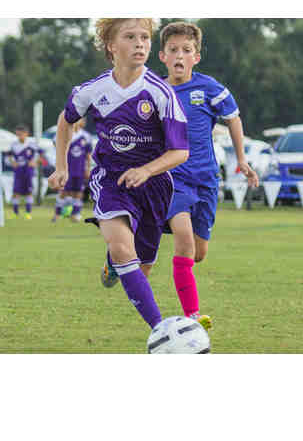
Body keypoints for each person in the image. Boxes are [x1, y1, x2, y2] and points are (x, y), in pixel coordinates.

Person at [99, 21, 258, 331]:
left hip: (207, 181)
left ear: (196, 57)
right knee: (183, 238)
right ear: (162, 55)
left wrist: (241, 159)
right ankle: (192, 314)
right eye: (173, 50)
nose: (180, 56)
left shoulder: (209, 88)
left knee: (197, 253)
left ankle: (117, 254)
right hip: (172, 179)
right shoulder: (153, 90)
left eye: (187, 50)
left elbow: (233, 118)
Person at [49, 18, 189, 332]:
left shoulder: (161, 93)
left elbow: (181, 151)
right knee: (123, 247)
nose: (140, 43)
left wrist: (146, 170)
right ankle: (160, 329)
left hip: (154, 187)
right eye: (130, 37)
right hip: (111, 180)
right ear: (112, 46)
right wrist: (62, 165)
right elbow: (65, 120)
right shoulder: (92, 90)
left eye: (145, 37)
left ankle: (115, 263)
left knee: (142, 264)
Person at [51, 118, 93, 223]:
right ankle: (57, 214)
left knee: (78, 192)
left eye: (81, 120)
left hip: (79, 169)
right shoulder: (63, 133)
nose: (79, 122)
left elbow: (88, 155)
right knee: (63, 191)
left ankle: (76, 214)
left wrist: (88, 169)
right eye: (77, 120)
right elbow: (56, 146)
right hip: (66, 169)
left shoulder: (86, 136)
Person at [9, 124, 43, 220]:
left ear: (26, 134)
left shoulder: (32, 144)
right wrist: (13, 162)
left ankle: (28, 213)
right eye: (18, 134)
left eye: (21, 134)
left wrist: (35, 162)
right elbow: (9, 156)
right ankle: (15, 213)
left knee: (29, 192)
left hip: (28, 171)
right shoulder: (14, 145)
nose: (20, 136)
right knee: (16, 192)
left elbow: (41, 155)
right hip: (18, 171)